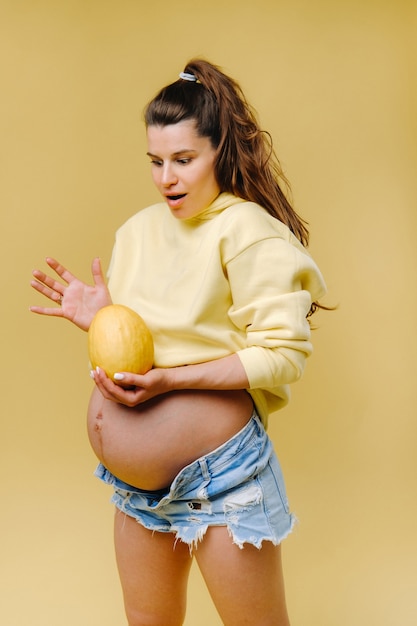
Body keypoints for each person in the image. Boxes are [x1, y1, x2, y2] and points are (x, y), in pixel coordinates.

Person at [30, 59, 327, 626]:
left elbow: (283, 355)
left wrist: (172, 382)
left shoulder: (248, 231)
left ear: (222, 152)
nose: (167, 177)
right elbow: (147, 345)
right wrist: (103, 319)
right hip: (138, 490)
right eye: (156, 161)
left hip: (222, 480)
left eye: (184, 160)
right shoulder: (137, 231)